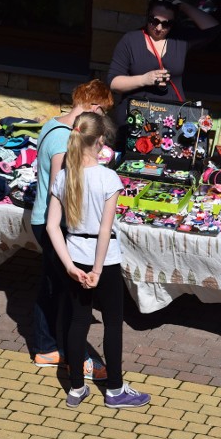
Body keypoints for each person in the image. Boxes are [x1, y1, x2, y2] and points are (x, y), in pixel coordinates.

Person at [46, 112, 150, 409]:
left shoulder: (64, 175)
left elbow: (54, 226)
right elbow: (105, 230)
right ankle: (115, 389)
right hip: (104, 260)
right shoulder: (108, 177)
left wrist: (69, 266)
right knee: (113, 323)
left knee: (78, 322)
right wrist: (97, 269)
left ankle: (76, 387)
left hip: (74, 255)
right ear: (101, 141)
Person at [29, 79, 113, 382]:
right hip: (55, 224)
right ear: (91, 105)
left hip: (43, 220)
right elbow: (61, 188)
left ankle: (46, 347)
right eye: (101, 110)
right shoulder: (66, 139)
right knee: (69, 295)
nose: (101, 117)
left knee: (51, 287)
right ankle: (71, 356)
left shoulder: (53, 124)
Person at [107, 0, 220, 128]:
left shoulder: (180, 40)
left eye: (166, 23)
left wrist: (183, 6)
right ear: (147, 16)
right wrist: (144, 79)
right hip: (135, 118)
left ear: (173, 24)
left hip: (171, 121)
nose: (159, 28)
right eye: (154, 21)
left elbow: (213, 29)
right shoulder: (131, 40)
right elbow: (113, 82)